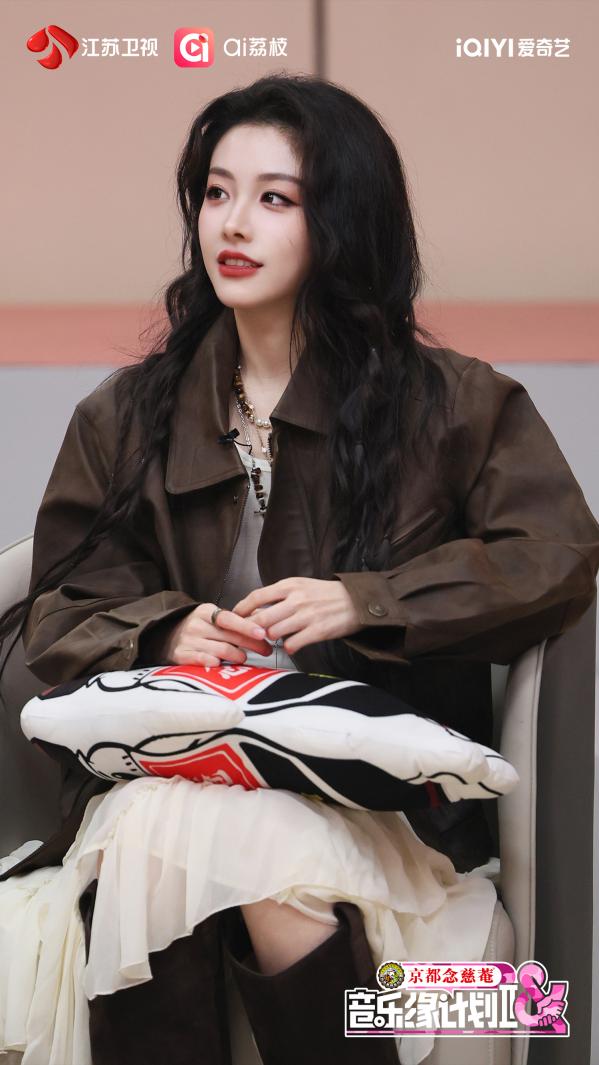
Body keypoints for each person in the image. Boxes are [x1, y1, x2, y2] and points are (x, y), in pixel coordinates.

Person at [0, 72, 598, 1065]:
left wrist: (366, 601)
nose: (232, 223)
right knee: (167, 821)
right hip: (174, 783)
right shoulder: (127, 416)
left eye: (274, 198)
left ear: (343, 221)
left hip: (376, 814)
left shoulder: (453, 407)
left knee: (192, 839)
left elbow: (556, 558)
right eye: (216, 192)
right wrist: (164, 628)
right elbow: (58, 603)